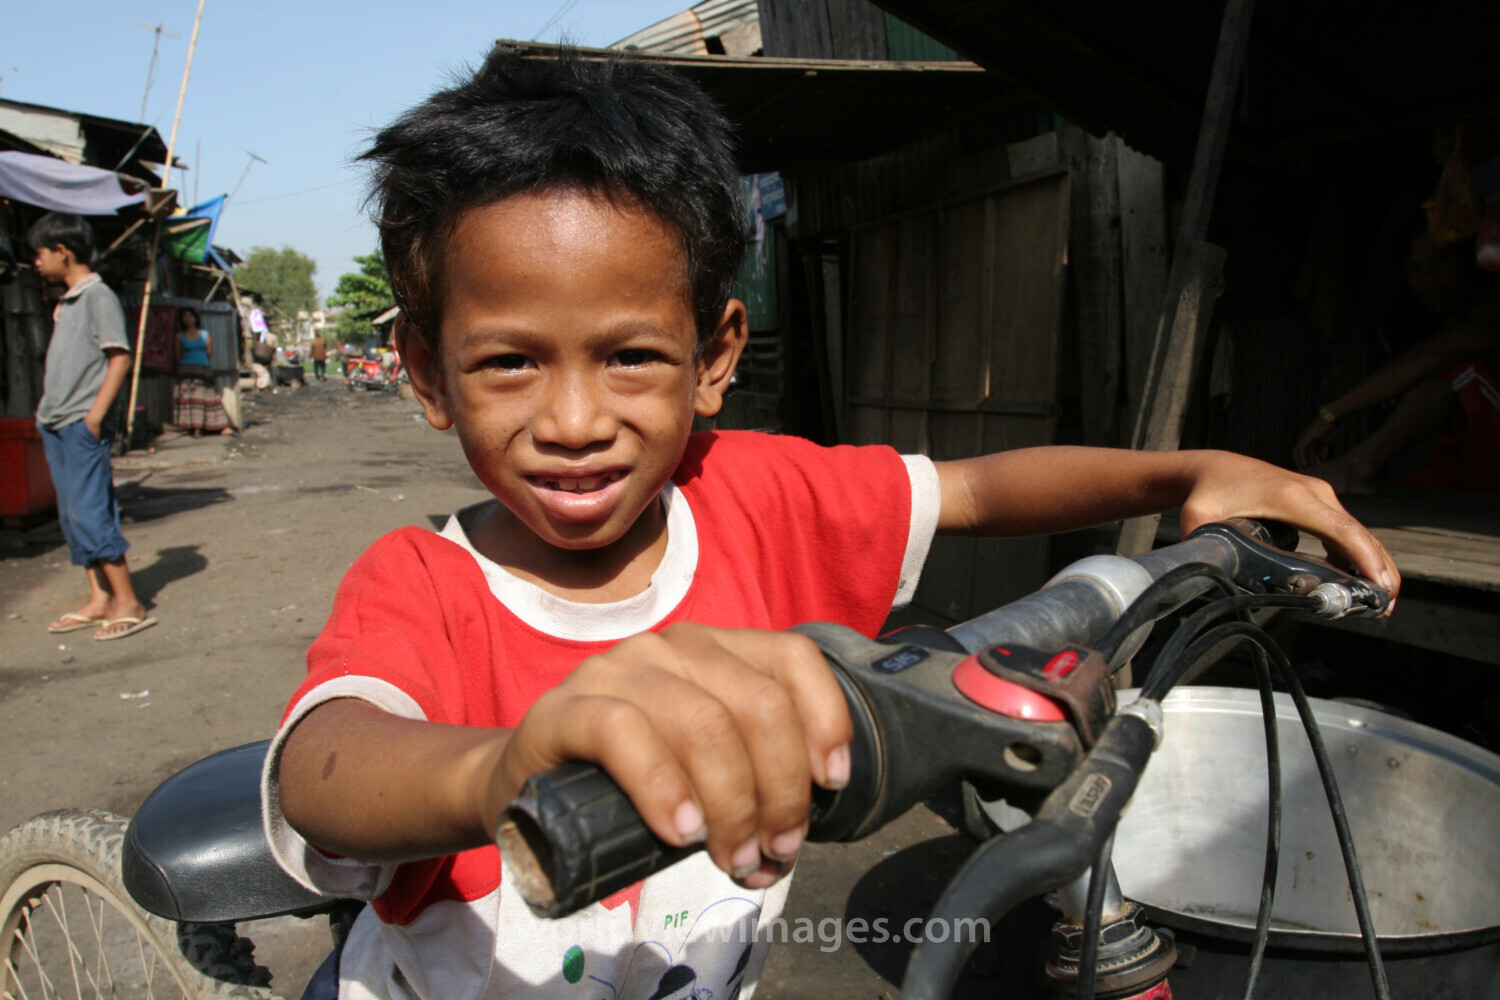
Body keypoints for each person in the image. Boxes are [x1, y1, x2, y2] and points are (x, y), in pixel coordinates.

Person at [265, 54, 1399, 1000]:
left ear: (713, 359)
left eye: (630, 357)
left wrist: (1191, 467)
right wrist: (500, 765)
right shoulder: (420, 578)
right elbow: (323, 768)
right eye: (509, 362)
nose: (573, 420)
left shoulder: (758, 495)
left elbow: (978, 490)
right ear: (426, 372)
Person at [29, 212, 157, 642]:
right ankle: (99, 597)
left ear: (63, 252)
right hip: (56, 421)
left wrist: (95, 417)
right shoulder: (67, 301)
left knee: (90, 512)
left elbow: (119, 356)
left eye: (41, 252)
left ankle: (128, 601)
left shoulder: (97, 295)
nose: (36, 261)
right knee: (71, 514)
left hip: (81, 423)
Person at [1294, 231, 1500, 494]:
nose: (1429, 276)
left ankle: (1359, 464)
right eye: (1416, 268)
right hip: (1465, 467)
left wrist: (1332, 413)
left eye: (1442, 260)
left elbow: (1432, 358)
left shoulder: (1492, 310)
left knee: (1462, 375)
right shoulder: (1431, 323)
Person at [172, 306, 232, 436]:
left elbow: (209, 352)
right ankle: (194, 428)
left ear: (196, 318)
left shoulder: (205, 335)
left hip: (203, 370)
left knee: (205, 399)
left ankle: (207, 426)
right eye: (185, 317)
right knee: (190, 401)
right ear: (181, 320)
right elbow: (178, 355)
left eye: (190, 316)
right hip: (186, 371)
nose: (188, 319)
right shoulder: (179, 336)